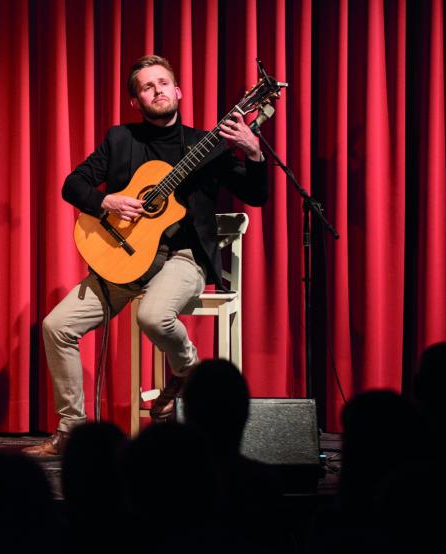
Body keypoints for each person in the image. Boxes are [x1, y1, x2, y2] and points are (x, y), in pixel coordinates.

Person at [26, 55, 269, 456]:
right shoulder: (121, 139)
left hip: (183, 258)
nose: (157, 90)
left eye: (163, 83)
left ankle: (188, 372)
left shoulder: (203, 145)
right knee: (56, 326)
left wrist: (254, 153)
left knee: (153, 316)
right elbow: (73, 184)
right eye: (146, 86)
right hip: (126, 260)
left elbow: (256, 196)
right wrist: (108, 201)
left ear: (178, 91)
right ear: (137, 101)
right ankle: (71, 431)